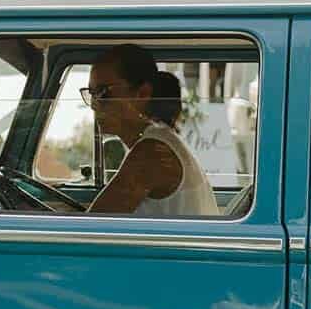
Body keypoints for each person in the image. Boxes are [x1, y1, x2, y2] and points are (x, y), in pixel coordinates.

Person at [84, 45, 219, 216]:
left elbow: (93, 226)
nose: (94, 105)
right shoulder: (161, 140)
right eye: (91, 93)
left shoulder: (151, 155)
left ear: (142, 93)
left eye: (103, 93)